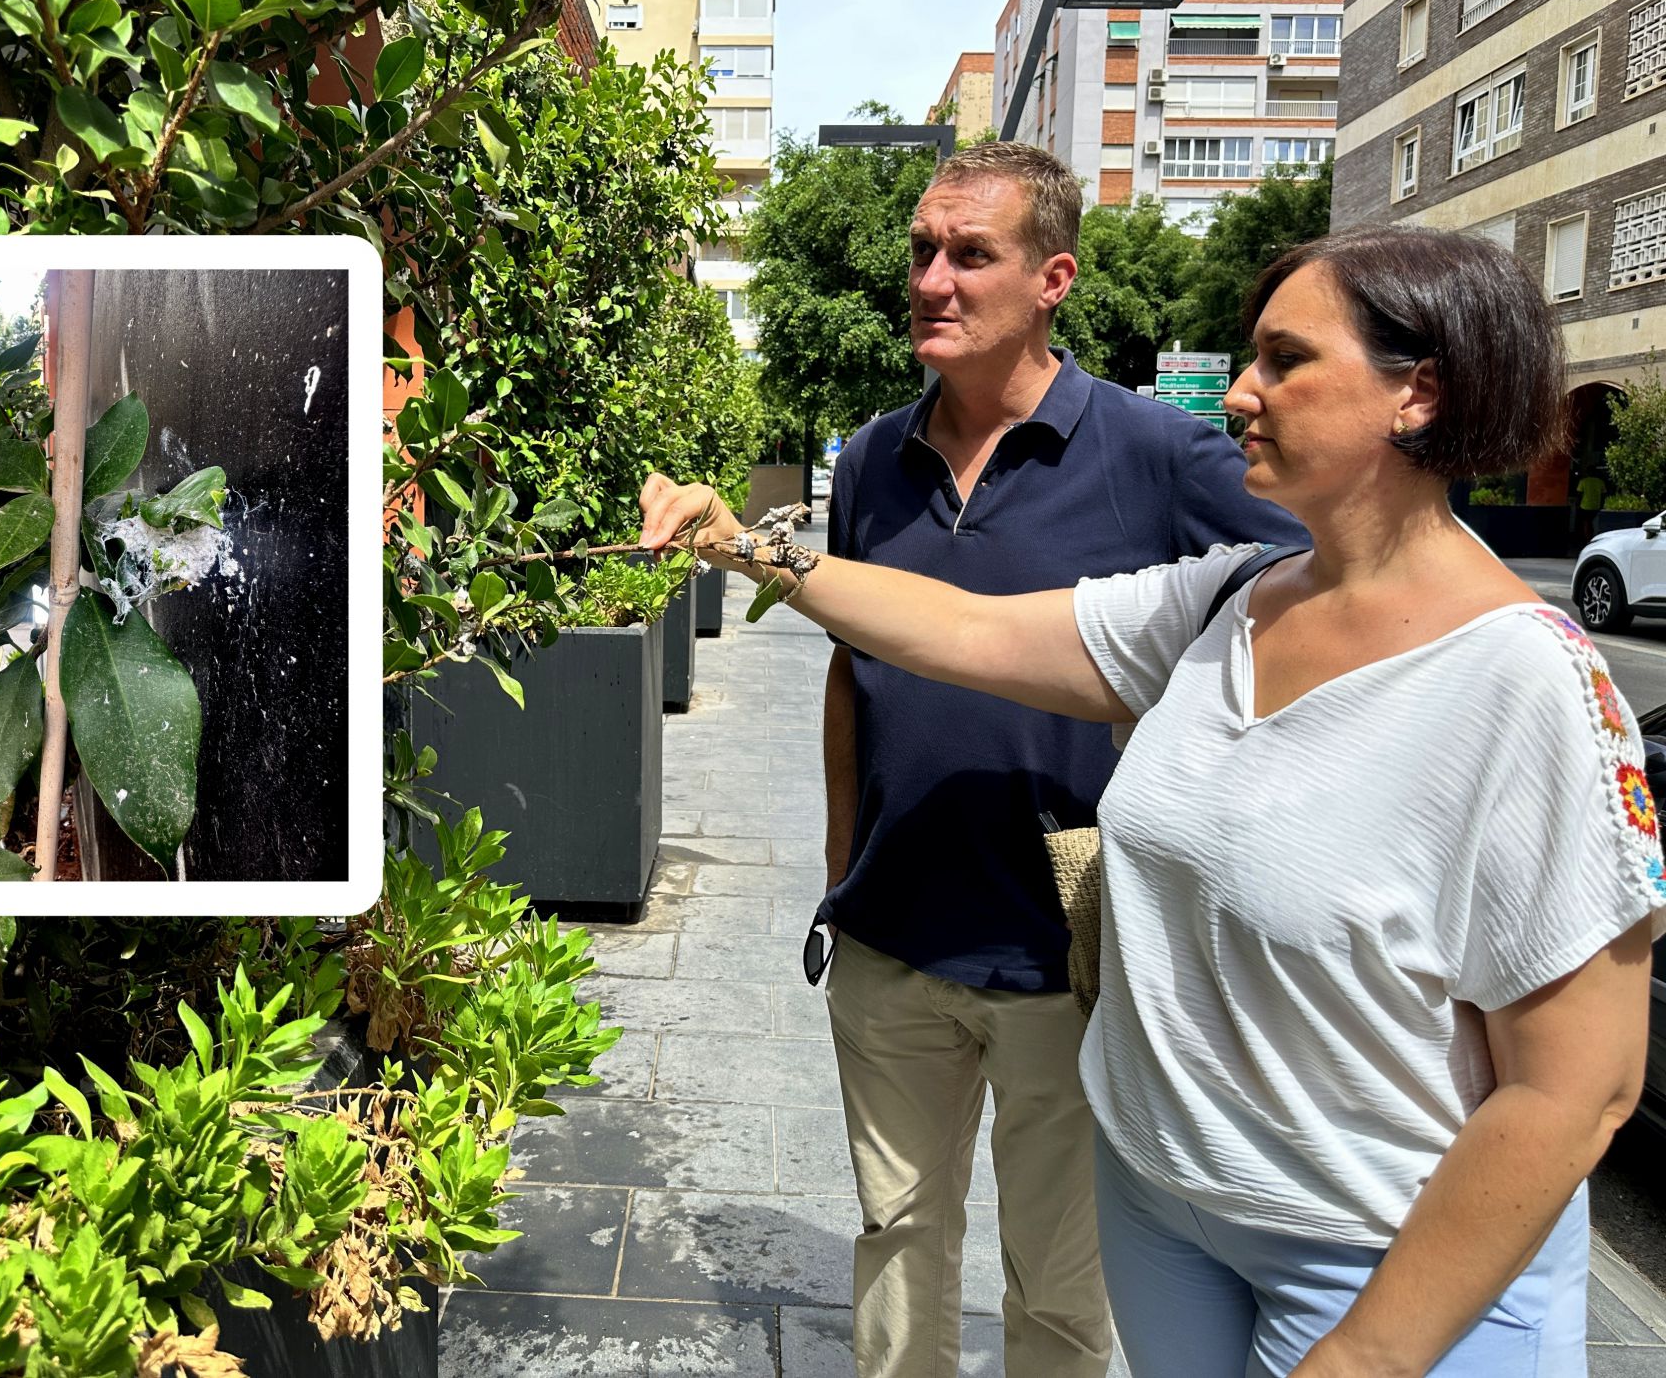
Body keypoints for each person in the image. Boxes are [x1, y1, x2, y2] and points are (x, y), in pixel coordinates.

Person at [638, 224, 1664, 1377]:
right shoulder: (1229, 598)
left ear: (1414, 394)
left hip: (1373, 1263)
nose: (1239, 393)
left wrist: (1365, 1355)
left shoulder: (1530, 685)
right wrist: (744, 550)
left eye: (1285, 362)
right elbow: (967, 628)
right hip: (1165, 1217)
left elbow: (1578, 1090)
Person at [810, 140, 1304, 1378]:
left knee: (1060, 1292)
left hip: (1071, 954)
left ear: (1052, 279)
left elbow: (1323, 586)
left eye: (969, 254)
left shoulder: (1152, 453)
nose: (932, 278)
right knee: (894, 1239)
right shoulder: (872, 457)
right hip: (891, 937)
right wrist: (836, 870)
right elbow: (848, 667)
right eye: (922, 251)